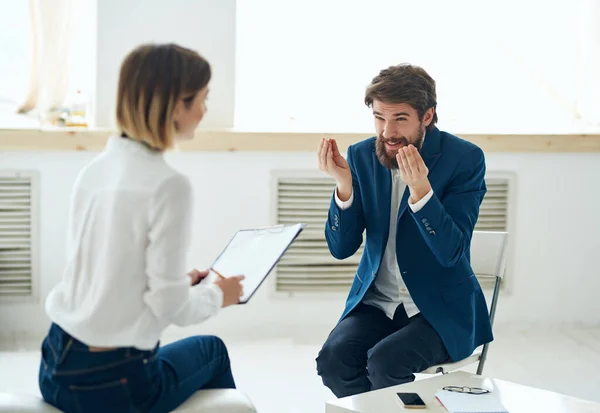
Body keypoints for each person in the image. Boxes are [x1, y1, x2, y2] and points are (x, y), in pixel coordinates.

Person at [38, 43, 245, 413]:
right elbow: (173, 309)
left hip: (55, 363)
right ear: (176, 105)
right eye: (202, 99)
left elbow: (104, 274)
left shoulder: (96, 169)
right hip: (112, 382)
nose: (204, 111)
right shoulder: (168, 185)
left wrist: (180, 282)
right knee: (211, 350)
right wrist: (219, 295)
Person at [315, 64, 493, 398]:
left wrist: (422, 192)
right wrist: (343, 186)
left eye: (399, 118)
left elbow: (452, 252)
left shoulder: (464, 159)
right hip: (378, 304)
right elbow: (341, 248)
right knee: (333, 360)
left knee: (385, 362)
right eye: (379, 117)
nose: (387, 131)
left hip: (438, 309)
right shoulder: (361, 155)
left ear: (427, 117)